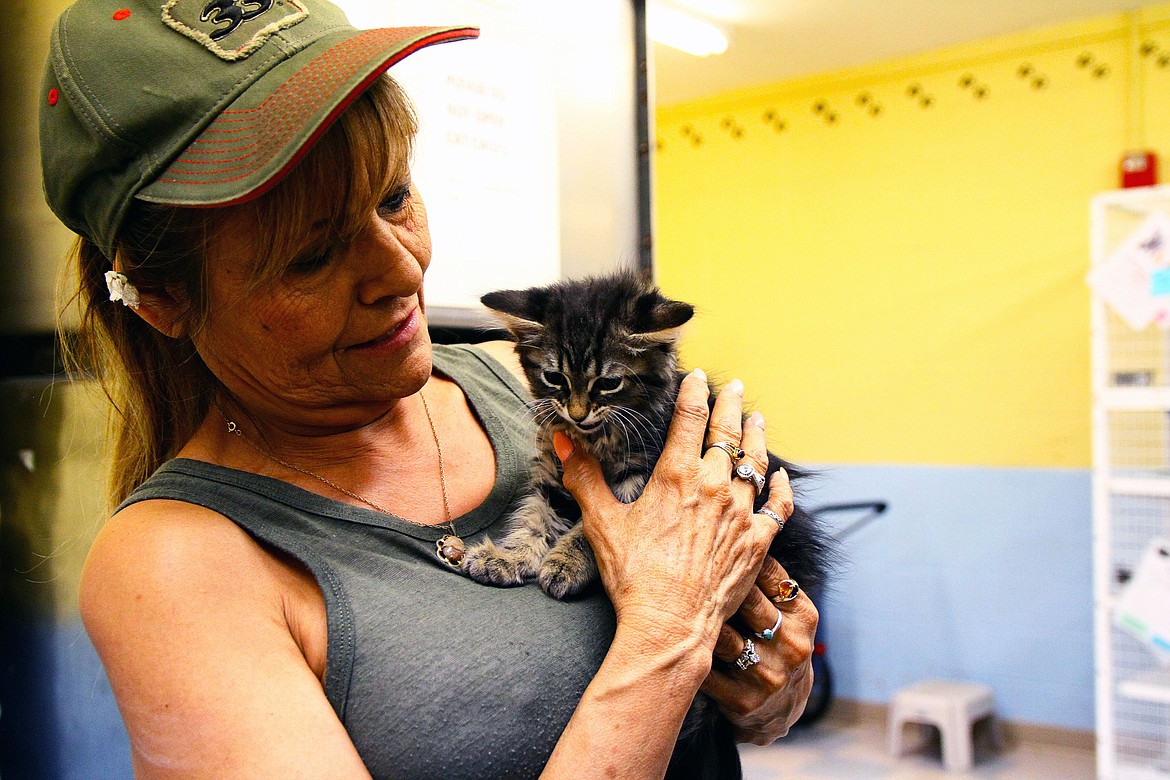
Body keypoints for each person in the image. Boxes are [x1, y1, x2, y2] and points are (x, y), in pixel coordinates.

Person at [42, 1, 818, 777]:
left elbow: (739, 678)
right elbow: (673, 628)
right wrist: (669, 634)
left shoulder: (523, 385)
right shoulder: (175, 568)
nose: (403, 270)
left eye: (394, 198)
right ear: (162, 298)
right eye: (312, 256)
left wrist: (760, 677)